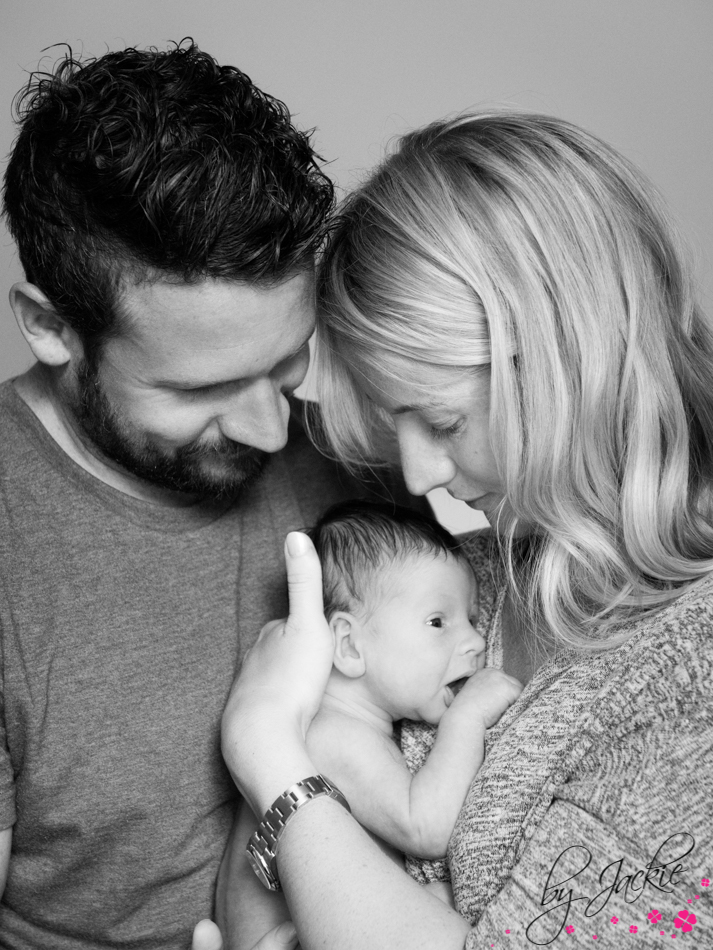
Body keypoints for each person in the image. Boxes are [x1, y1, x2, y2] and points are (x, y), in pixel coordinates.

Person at [215, 112, 713, 949]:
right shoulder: (462, 574)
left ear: (567, 362)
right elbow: (247, 894)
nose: (416, 479)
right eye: (393, 421)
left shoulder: (687, 672)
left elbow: (285, 782)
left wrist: (265, 752)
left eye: (441, 421)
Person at [0, 42, 416, 949]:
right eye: (198, 391)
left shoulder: (360, 460)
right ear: (48, 326)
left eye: (286, 362)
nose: (275, 433)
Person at [219, 501, 521, 948]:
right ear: (350, 646)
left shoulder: (343, 726)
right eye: (438, 622)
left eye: (473, 619)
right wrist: (467, 716)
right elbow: (425, 827)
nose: (476, 641)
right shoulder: (329, 735)